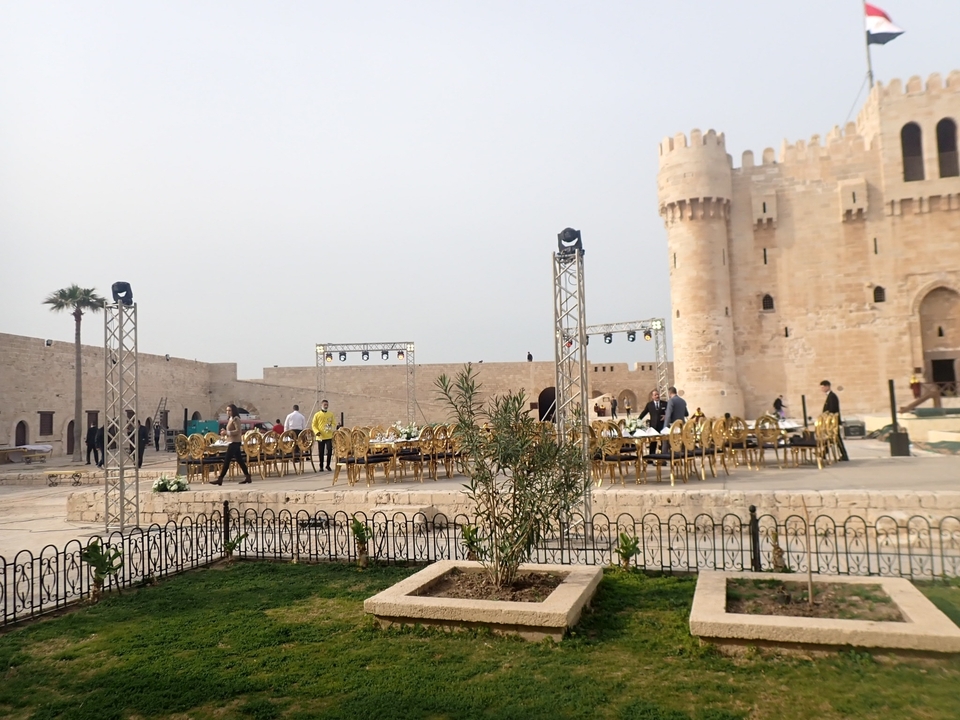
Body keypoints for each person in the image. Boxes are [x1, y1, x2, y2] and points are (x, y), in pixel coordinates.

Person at [212, 404, 252, 485]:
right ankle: (248, 477)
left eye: (229, 410)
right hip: (232, 441)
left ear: (233, 411)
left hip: (235, 442)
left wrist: (227, 432)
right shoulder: (230, 419)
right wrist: (225, 432)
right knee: (240, 460)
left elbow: (238, 431)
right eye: (227, 410)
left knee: (227, 460)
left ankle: (220, 479)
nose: (228, 412)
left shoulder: (236, 419)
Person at [820, 380, 849, 461]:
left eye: (823, 387)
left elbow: (832, 409)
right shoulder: (830, 396)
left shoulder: (832, 396)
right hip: (830, 422)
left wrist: (825, 414)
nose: (822, 389)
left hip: (833, 422)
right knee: (830, 438)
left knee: (836, 438)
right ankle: (823, 453)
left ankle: (844, 455)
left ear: (827, 386)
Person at [311, 399, 335, 471]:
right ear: (322, 405)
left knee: (329, 450)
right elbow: (314, 425)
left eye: (327, 405)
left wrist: (331, 426)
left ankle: (328, 465)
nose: (326, 406)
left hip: (328, 435)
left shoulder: (330, 414)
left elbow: (334, 423)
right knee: (321, 452)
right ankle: (321, 466)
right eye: (325, 404)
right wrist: (316, 432)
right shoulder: (317, 415)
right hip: (320, 436)